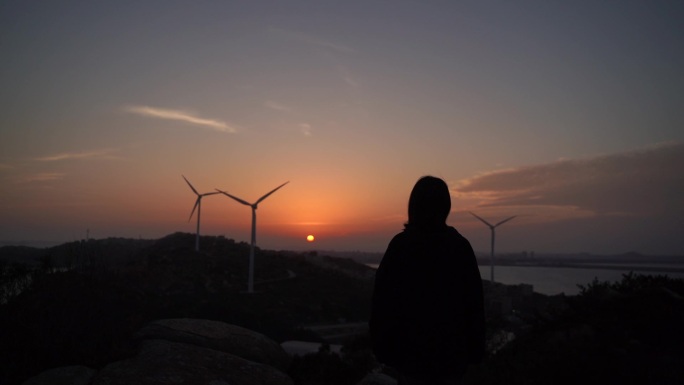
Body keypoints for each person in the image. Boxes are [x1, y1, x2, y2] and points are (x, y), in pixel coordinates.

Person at [369, 176, 485, 385]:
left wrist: (383, 348)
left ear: (413, 205)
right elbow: (474, 304)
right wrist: (475, 353)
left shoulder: (401, 246)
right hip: (451, 358)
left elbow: (382, 302)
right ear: (446, 206)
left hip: (410, 357)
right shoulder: (460, 247)